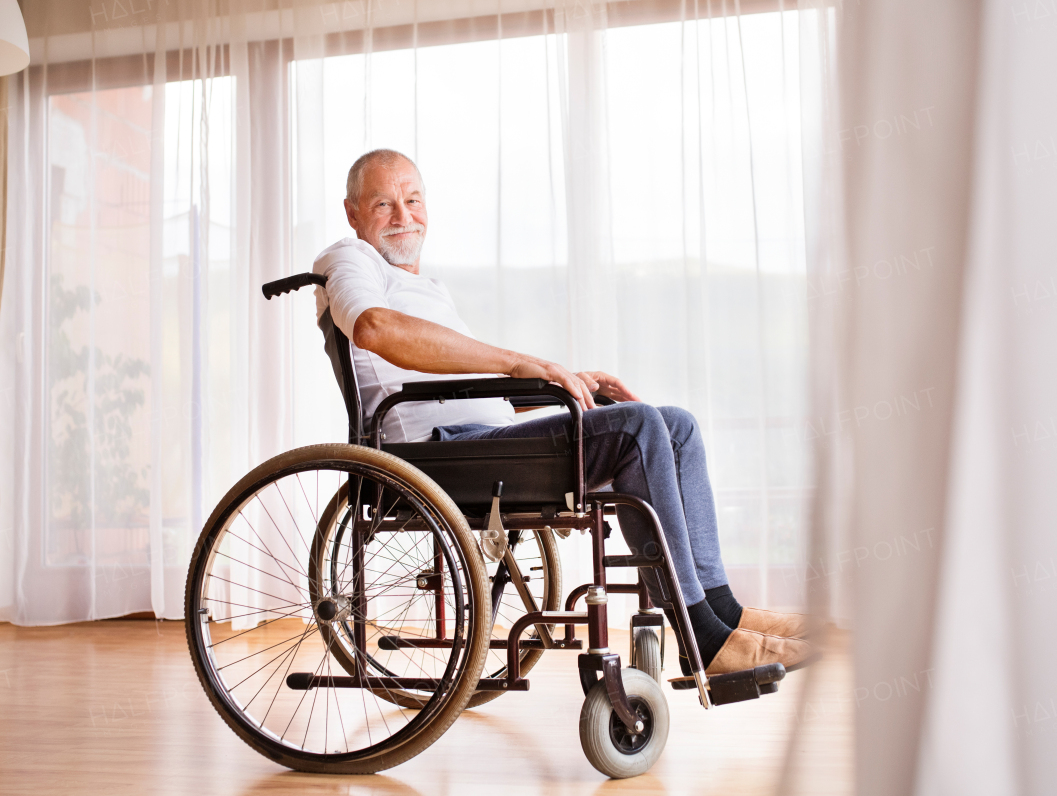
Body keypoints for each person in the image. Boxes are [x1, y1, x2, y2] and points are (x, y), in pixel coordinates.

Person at [313, 148, 814, 676]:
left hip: (479, 438)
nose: (403, 216)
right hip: (435, 456)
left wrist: (568, 385)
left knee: (676, 426)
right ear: (352, 213)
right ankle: (704, 638)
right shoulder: (350, 260)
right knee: (638, 428)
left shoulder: (425, 288)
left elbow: (463, 386)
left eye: (412, 200)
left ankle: (722, 613)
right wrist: (520, 363)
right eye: (383, 204)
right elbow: (372, 328)